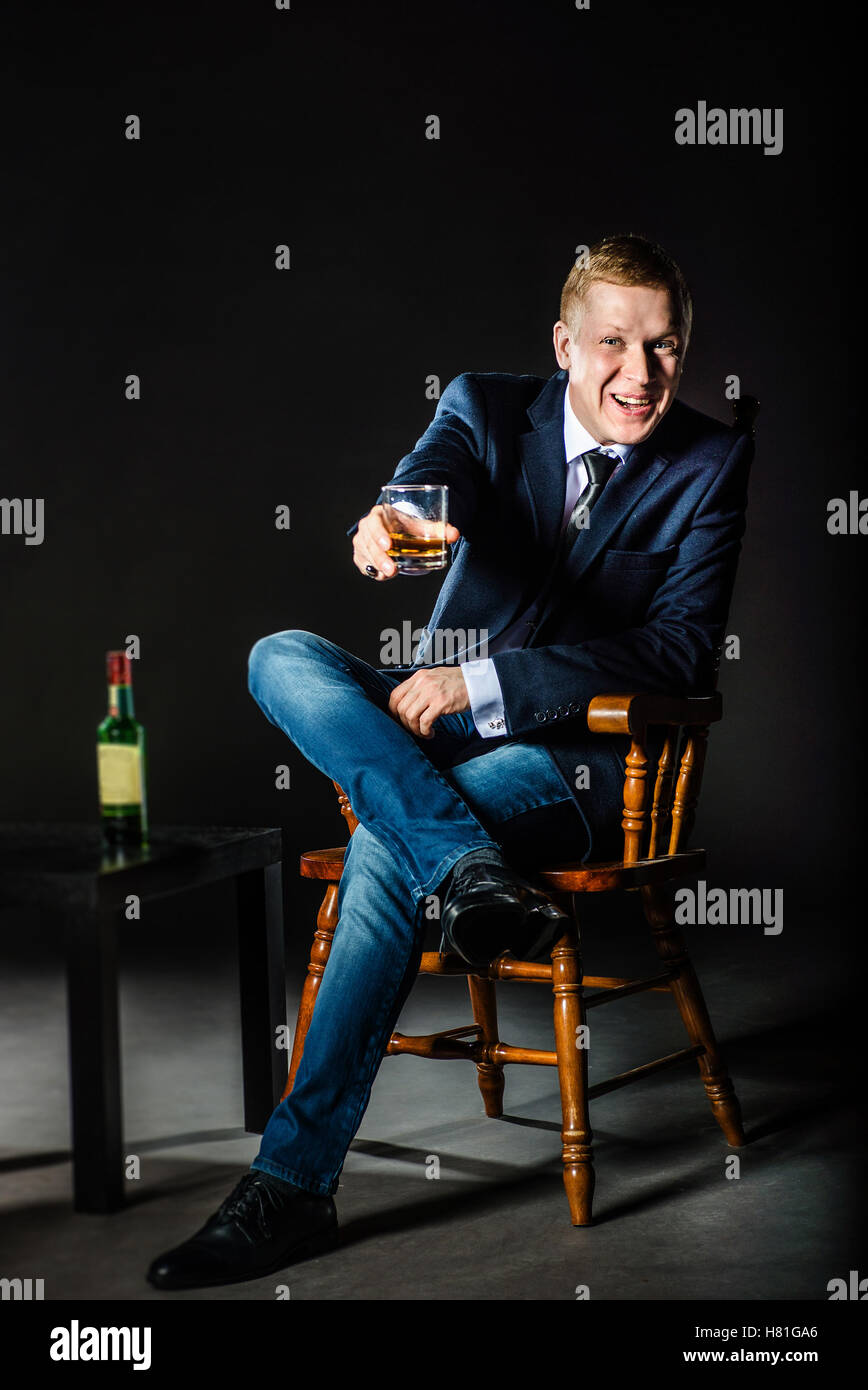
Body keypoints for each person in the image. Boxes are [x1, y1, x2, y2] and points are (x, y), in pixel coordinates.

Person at [147, 233, 753, 1289]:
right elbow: (429, 481)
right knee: (280, 656)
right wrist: (390, 519)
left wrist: (485, 685)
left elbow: (676, 651)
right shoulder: (485, 406)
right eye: (613, 342)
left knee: (387, 840)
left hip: (577, 770)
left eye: (663, 346)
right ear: (565, 343)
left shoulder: (709, 462)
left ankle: (290, 1185)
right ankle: (465, 865)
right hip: (439, 745)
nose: (639, 373)